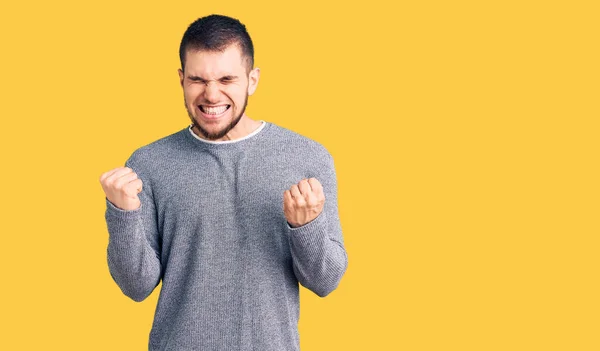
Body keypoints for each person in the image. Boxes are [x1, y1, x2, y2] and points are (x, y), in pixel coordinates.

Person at [99, 14, 348, 351]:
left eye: (227, 79)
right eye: (197, 79)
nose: (211, 95)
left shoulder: (307, 158)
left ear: (253, 80)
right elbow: (136, 286)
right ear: (181, 79)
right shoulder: (148, 164)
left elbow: (325, 281)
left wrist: (306, 229)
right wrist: (122, 216)